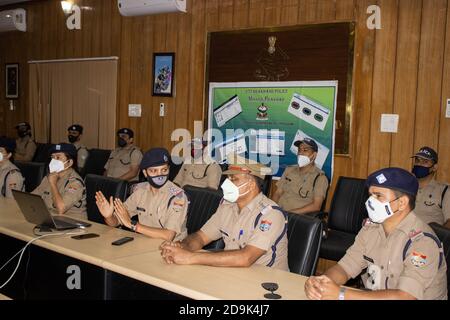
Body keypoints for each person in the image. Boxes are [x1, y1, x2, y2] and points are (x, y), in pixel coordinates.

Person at [304, 167, 447, 300]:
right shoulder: (370, 229)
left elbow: (405, 296)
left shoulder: (422, 242)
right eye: (371, 195)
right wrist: (322, 283)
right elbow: (345, 267)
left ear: (402, 203)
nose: (371, 202)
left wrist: (340, 294)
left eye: (379, 196)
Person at [160, 154, 289, 271]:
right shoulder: (227, 206)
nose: (227, 184)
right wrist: (181, 247)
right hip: (232, 273)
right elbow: (200, 237)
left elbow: (246, 258)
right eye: (228, 179)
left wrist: (190, 257)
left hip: (265, 282)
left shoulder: (270, 214)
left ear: (251, 185)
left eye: (234, 179)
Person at [95, 148, 188, 242]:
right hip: (143, 242)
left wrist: (133, 225)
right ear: (145, 173)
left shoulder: (178, 196)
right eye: (154, 171)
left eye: (164, 170)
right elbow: (116, 222)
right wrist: (109, 217)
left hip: (171, 249)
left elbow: (168, 236)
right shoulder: (140, 191)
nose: (160, 175)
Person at [272, 138, 328, 214]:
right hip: (278, 213)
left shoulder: (320, 177)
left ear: (314, 155)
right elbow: (277, 193)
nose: (300, 153)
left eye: (305, 150)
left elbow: (316, 206)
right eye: (299, 150)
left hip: (297, 218)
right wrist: (273, 209)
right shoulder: (289, 170)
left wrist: (289, 214)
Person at [32, 143, 87, 219]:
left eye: (58, 157)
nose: (53, 161)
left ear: (70, 162)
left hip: (73, 223)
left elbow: (61, 209)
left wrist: (53, 184)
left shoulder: (75, 183)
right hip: (51, 218)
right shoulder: (50, 177)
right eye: (52, 157)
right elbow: (32, 197)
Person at [411, 147, 449, 228]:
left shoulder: (444, 191)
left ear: (434, 167)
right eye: (417, 160)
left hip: (430, 238)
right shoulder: (405, 187)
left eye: (425, 161)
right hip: (403, 236)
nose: (419, 164)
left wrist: (440, 238)